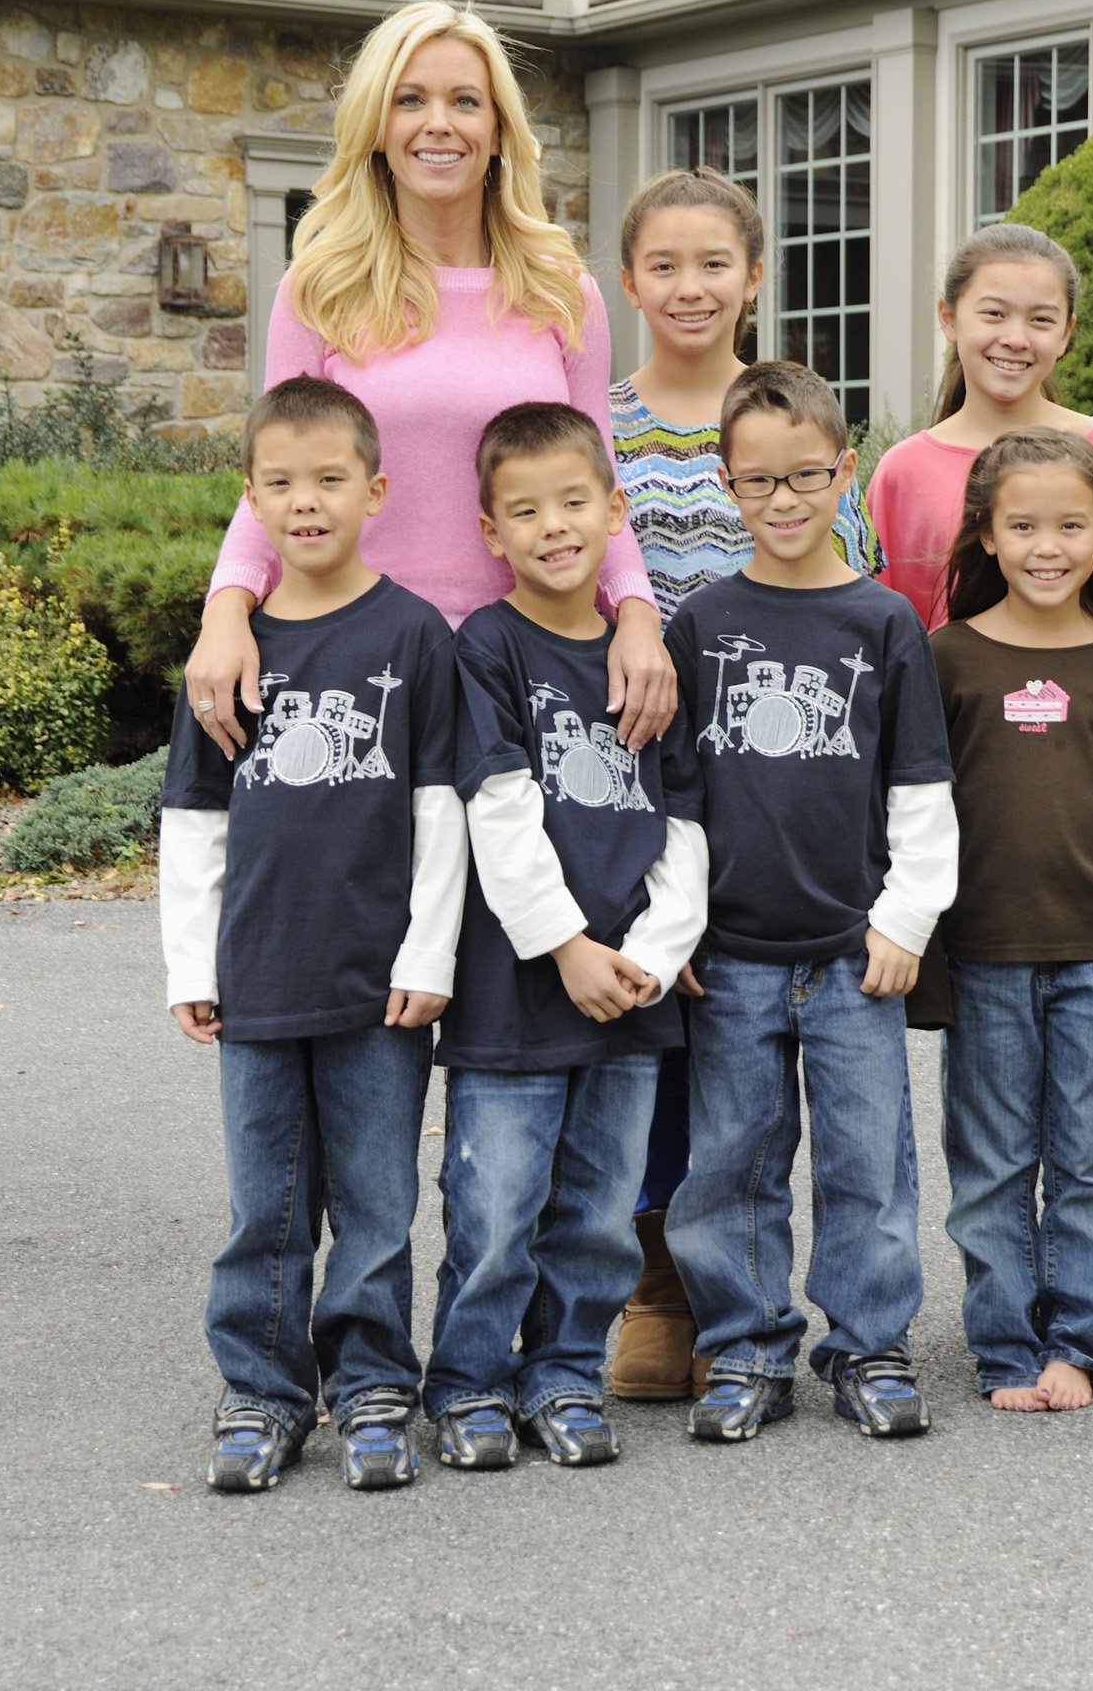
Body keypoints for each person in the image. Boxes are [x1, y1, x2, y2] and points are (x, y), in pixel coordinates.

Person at [181, 0, 678, 789]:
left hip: (524, 661)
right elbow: (277, 478)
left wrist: (638, 621)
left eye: (465, 101)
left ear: (499, 133)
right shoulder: (320, 290)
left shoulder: (562, 293)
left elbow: (596, 479)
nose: (437, 124)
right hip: (361, 658)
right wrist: (224, 613)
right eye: (410, 100)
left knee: (525, 907)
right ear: (378, 128)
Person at [866, 221, 1093, 1352]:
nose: (1014, 336)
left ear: (1067, 329)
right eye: (993, 312)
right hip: (972, 784)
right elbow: (900, 632)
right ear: (950, 317)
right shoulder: (907, 468)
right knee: (1004, 1099)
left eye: (1040, 316)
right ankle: (1021, 1309)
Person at [599, 166, 880, 1403]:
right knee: (662, 1030)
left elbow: (856, 600)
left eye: (715, 262)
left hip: (788, 792)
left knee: (774, 1040)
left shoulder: (799, 432)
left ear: (755, 276)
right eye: (664, 264)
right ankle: (662, 1283)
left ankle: (782, 1295)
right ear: (630, 282)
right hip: (635, 774)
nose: (691, 286)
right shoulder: (602, 425)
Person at [159, 376, 468, 1493]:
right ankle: (263, 1389)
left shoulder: (415, 634)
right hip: (257, 977)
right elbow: (193, 824)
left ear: (375, 490)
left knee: (379, 1199)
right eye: (281, 483)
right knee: (266, 1205)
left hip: (381, 983)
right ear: (251, 497)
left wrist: (430, 954)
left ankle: (377, 1381)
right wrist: (190, 965)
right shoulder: (225, 658)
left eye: (330, 479)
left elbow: (444, 813)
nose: (306, 501)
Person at [662, 361, 958, 1444]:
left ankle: (870, 1344)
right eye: (757, 481)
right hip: (731, 951)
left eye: (804, 476)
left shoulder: (882, 623)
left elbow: (921, 788)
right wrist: (675, 927)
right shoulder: (698, 626)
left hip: (851, 949)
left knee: (867, 1158)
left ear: (846, 472)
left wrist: (905, 920)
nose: (782, 500)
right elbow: (678, 799)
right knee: (731, 1158)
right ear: (726, 484)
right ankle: (744, 1348)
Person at [421, 402, 709, 1473]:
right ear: (490, 531)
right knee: (496, 1201)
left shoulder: (650, 660)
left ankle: (564, 1373)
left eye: (574, 502)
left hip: (631, 994)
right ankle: (468, 1379)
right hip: (518, 992)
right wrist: (565, 945)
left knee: (595, 1210)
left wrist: (659, 947)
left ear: (614, 511)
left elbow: (684, 818)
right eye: (526, 510)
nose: (554, 526)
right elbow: (496, 806)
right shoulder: (485, 648)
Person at [918, 427, 1093, 1412]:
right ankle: (1004, 1346)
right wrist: (931, 962)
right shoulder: (945, 659)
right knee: (989, 1165)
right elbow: (917, 821)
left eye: (1070, 524)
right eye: (1022, 524)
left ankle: (1079, 1339)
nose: (1046, 545)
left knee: (1084, 1163)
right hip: (983, 955)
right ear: (985, 532)